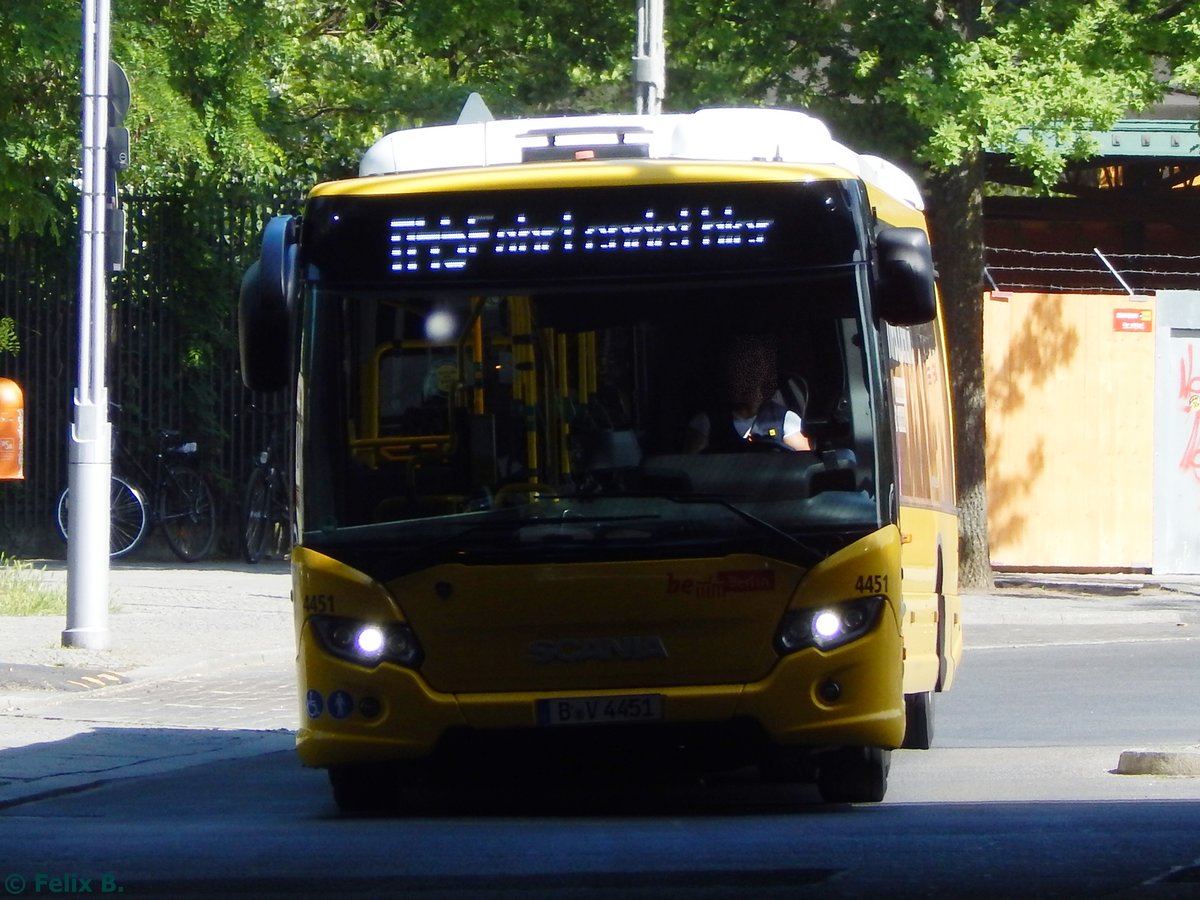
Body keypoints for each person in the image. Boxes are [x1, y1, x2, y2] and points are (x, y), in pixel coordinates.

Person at [683, 333, 811, 453]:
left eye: (753, 366)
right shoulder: (706, 421)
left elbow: (807, 461)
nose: (745, 375)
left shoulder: (785, 419)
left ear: (764, 373)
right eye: (737, 367)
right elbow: (692, 464)